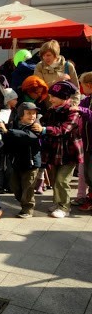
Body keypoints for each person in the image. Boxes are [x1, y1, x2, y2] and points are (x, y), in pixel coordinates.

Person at [40, 80, 82, 218]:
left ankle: (64, 207)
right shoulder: (52, 110)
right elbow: (43, 122)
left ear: (64, 97)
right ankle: (57, 202)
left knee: (62, 180)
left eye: (53, 96)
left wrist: (45, 129)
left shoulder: (73, 111)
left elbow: (65, 129)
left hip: (69, 152)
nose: (50, 99)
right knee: (55, 179)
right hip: (55, 151)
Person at [1, 102, 42, 218]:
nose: (32, 116)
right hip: (16, 162)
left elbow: (28, 136)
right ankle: (23, 201)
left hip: (31, 163)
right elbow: (8, 141)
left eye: (34, 113)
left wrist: (9, 132)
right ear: (20, 115)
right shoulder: (13, 125)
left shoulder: (35, 126)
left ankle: (27, 209)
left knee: (28, 187)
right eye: (29, 113)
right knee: (15, 186)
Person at [34, 39, 80, 105]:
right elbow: (40, 89)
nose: (45, 58)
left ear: (56, 54)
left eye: (48, 55)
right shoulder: (39, 67)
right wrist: (58, 80)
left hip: (67, 107)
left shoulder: (68, 66)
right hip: (48, 107)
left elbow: (76, 90)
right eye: (43, 56)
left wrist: (74, 105)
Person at [71, 72, 92, 210]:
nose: (81, 88)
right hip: (87, 143)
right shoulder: (87, 99)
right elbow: (79, 107)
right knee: (88, 174)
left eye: (82, 85)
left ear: (89, 85)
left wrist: (81, 109)